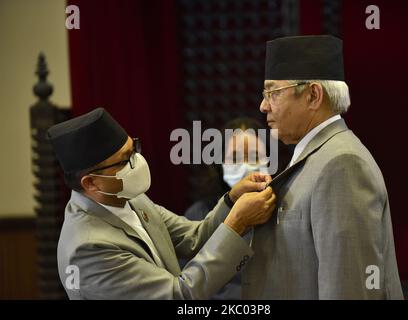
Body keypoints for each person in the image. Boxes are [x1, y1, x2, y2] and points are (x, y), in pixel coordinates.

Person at [47, 107, 276, 300]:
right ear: (91, 183)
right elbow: (180, 294)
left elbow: (194, 237)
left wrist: (230, 200)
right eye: (124, 160)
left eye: (133, 149)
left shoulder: (131, 199)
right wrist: (236, 223)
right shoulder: (89, 248)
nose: (136, 162)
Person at [242, 35, 403, 299]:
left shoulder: (342, 165)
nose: (263, 105)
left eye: (273, 93)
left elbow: (348, 287)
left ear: (313, 95)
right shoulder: (319, 156)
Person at [183, 117, 269, 299]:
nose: (246, 165)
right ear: (220, 163)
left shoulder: (284, 210)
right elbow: (186, 282)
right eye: (236, 157)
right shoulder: (198, 215)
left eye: (254, 156)